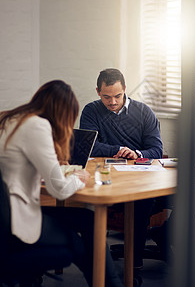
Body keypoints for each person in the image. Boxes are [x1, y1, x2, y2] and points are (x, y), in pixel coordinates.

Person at [0, 80, 123, 287]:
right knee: (80, 246)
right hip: (14, 220)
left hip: (5, 212)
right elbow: (60, 190)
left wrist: (51, 168)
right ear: (63, 112)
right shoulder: (37, 125)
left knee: (87, 218)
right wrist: (79, 177)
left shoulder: (10, 119)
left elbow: (15, 167)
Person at [80, 68, 163, 269]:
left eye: (118, 95)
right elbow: (87, 145)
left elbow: (157, 150)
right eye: (106, 97)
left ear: (125, 89)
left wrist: (137, 154)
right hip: (111, 183)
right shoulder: (91, 111)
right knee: (143, 202)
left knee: (193, 200)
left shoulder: (144, 112)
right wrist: (117, 150)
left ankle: (159, 234)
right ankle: (134, 266)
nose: (113, 102)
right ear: (98, 92)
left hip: (143, 178)